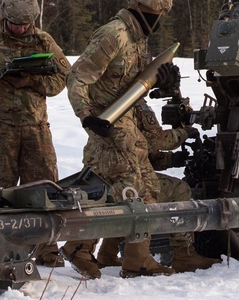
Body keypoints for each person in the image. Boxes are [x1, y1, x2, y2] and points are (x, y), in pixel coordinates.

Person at [61, 0, 180, 279]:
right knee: (129, 192)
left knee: (135, 191)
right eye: (157, 14)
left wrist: (162, 80)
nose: (159, 20)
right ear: (142, 9)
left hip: (126, 126)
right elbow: (77, 79)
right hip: (108, 128)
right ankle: (108, 253)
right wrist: (87, 118)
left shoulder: (138, 39)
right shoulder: (113, 35)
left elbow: (131, 85)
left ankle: (99, 251)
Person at [0, 0, 70, 267]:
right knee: (0, 191)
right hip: (0, 128)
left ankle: (47, 248)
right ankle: (3, 246)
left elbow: (64, 79)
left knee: (45, 188)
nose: (21, 30)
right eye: (15, 24)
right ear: (4, 17)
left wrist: (31, 81)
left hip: (35, 128)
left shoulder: (44, 41)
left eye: (25, 24)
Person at [94, 99, 221, 273]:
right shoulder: (132, 100)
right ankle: (184, 256)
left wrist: (173, 159)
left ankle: (107, 254)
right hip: (124, 175)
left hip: (103, 173)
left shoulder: (108, 100)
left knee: (128, 204)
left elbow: (141, 148)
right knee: (178, 190)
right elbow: (156, 140)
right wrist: (185, 133)